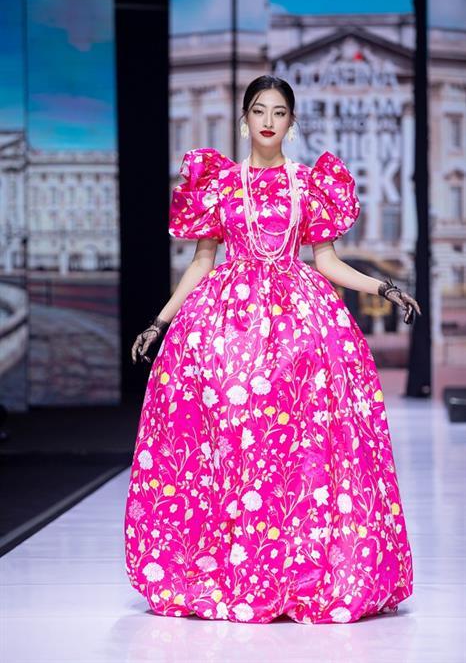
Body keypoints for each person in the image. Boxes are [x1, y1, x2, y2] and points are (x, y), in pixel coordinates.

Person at [124, 74, 420, 625]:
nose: (268, 121)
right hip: (226, 325)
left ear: (291, 121)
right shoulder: (218, 184)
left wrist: (384, 287)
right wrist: (159, 322)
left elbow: (326, 262)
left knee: (295, 447)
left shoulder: (308, 184)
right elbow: (201, 262)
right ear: (245, 119)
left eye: (279, 112)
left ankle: (297, 570)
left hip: (297, 326)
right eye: (259, 110)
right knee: (230, 442)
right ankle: (226, 566)